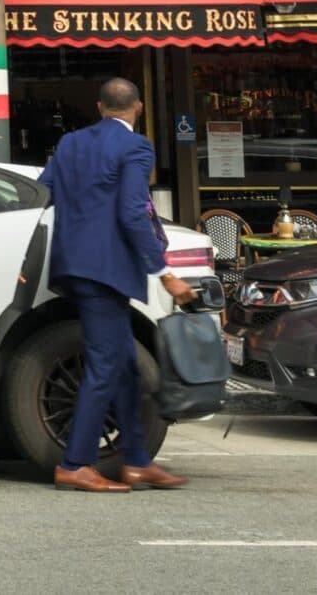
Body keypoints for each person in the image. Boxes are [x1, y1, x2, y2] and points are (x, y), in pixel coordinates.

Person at [37, 77, 198, 494]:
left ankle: (138, 461)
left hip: (73, 263)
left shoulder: (70, 143)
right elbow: (131, 212)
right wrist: (165, 273)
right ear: (138, 108)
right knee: (106, 365)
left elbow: (46, 190)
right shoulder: (136, 147)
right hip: (106, 271)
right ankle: (75, 463)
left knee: (124, 364)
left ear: (99, 106)